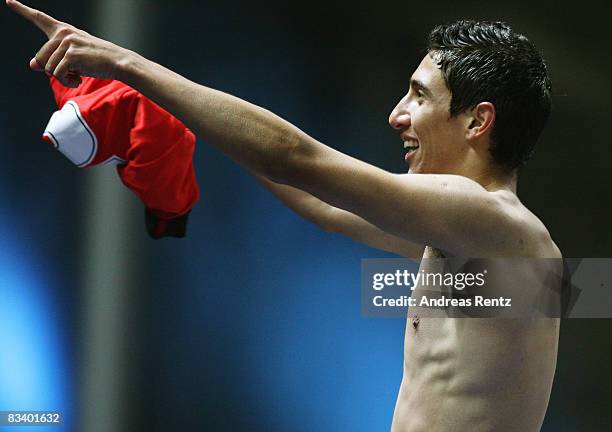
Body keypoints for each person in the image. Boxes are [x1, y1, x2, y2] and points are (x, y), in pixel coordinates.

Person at [7, 1, 562, 430]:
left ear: (477, 121)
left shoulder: (497, 227)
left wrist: (126, 65)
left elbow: (295, 159)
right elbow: (316, 202)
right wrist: (176, 111)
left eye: (419, 96)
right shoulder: (479, 249)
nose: (397, 115)